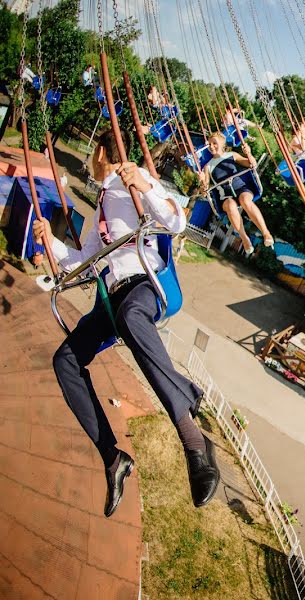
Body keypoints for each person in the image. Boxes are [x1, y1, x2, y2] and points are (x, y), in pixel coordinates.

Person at [32, 128, 220, 517]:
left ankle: (194, 443)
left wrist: (145, 186)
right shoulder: (101, 203)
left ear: (101, 151)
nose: (87, 160)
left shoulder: (132, 180)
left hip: (142, 287)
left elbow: (176, 222)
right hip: (111, 296)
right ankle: (114, 458)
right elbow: (81, 262)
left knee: (131, 316)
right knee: (65, 360)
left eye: (91, 154)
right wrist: (51, 241)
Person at [199, 131, 274, 255]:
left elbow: (252, 164)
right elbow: (204, 191)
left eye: (214, 143)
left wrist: (248, 153)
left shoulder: (232, 155)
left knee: (244, 200)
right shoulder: (208, 166)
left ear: (222, 144)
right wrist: (202, 181)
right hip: (225, 196)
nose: (211, 147)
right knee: (230, 205)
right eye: (209, 144)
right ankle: (245, 239)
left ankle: (266, 233)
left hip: (241, 188)